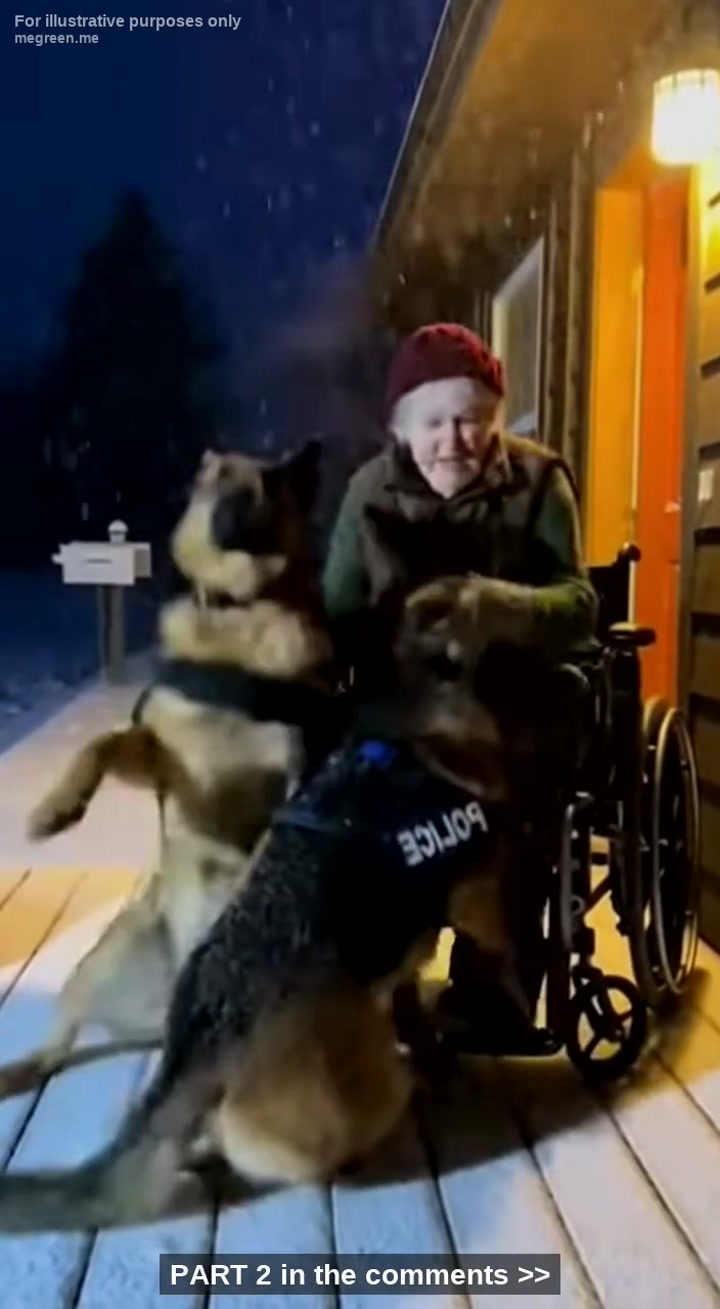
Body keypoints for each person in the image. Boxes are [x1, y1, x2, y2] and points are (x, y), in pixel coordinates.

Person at [320, 321, 598, 1054]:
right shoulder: (368, 491)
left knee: (514, 795)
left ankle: (493, 985)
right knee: (364, 796)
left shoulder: (538, 482)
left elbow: (579, 605)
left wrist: (497, 605)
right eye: (434, 422)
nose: (454, 439)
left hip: (514, 691)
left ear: (494, 420)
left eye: (471, 419)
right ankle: (382, 981)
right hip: (405, 695)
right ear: (403, 428)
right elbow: (337, 612)